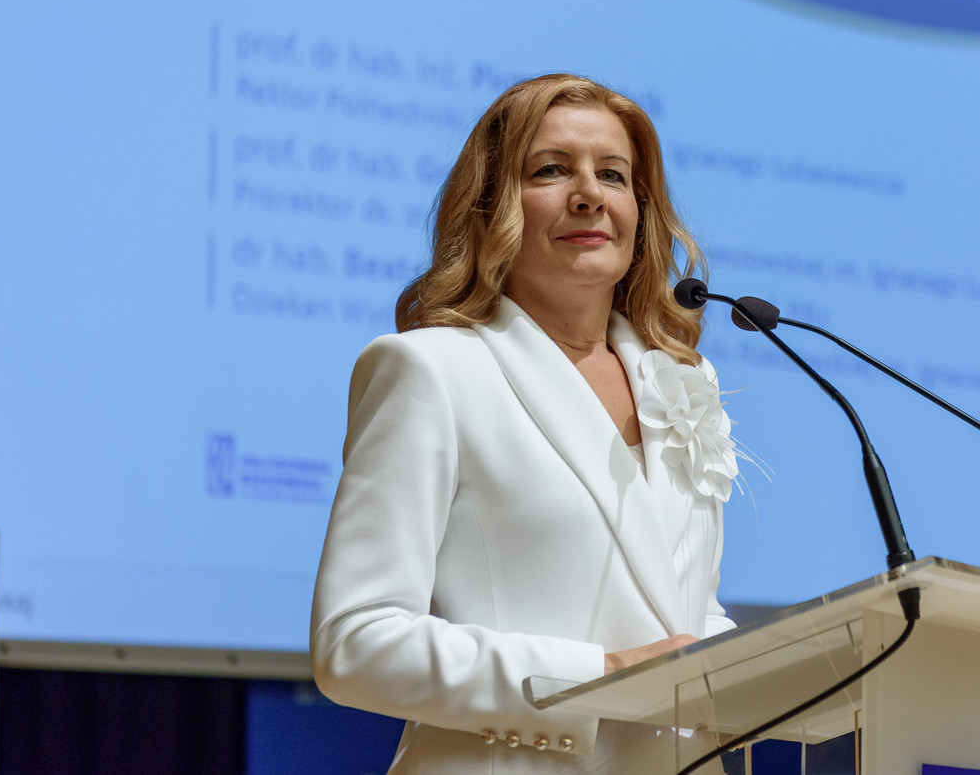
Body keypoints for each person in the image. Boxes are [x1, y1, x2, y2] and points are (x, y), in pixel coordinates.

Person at [311, 74, 739, 773]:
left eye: (613, 174)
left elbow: (684, 611)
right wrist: (599, 676)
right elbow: (356, 643)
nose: (589, 194)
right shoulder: (433, 370)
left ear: (640, 212)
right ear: (490, 208)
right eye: (550, 171)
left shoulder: (685, 383)